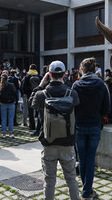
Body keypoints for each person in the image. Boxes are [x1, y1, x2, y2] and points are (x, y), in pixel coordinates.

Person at [30, 60, 81, 199]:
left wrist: (40, 85)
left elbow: (31, 103)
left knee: (49, 180)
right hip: (68, 142)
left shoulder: (42, 94)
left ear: (49, 75)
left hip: (48, 142)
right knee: (71, 179)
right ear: (64, 74)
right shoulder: (72, 93)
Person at [72, 57, 110, 199]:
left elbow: (72, 107)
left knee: (82, 159)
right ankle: (87, 191)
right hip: (94, 125)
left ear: (82, 69)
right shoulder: (101, 85)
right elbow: (107, 109)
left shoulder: (76, 85)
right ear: (94, 69)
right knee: (90, 158)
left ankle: (86, 190)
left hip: (80, 126)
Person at [0, 74, 17, 138]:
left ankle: (4, 133)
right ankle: (10, 132)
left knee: (3, 119)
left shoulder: (0, 86)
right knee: (11, 118)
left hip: (3, 103)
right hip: (11, 103)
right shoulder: (11, 85)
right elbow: (15, 93)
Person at [22, 64, 41, 131]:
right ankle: (39, 126)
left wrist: (26, 94)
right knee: (39, 111)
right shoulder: (39, 76)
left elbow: (24, 87)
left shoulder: (27, 77)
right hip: (38, 95)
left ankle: (32, 126)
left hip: (30, 95)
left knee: (30, 112)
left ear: (30, 68)